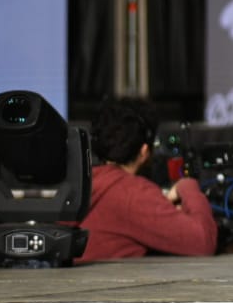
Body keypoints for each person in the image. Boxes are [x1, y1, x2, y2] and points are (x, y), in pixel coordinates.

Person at [77, 99, 219, 263]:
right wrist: (188, 186)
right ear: (144, 151)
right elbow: (202, 242)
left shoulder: (86, 182)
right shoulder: (131, 193)